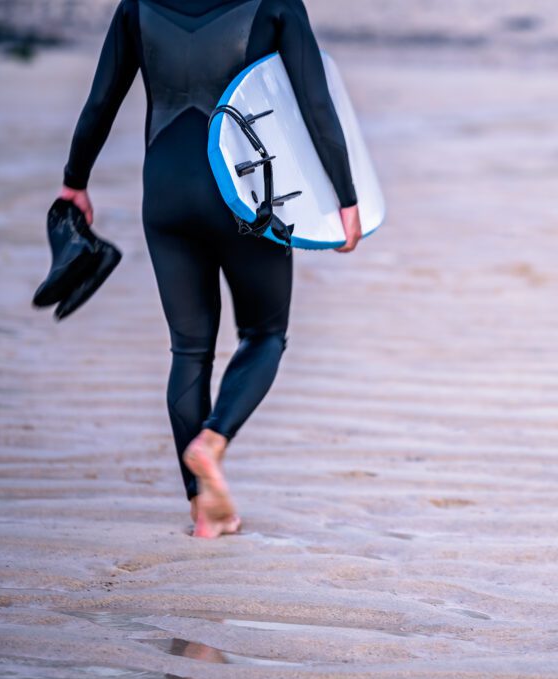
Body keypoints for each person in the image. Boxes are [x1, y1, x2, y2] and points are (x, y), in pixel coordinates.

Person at [59, 0, 361, 538]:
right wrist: (347, 198)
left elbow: (100, 100)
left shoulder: (137, 6)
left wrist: (74, 182)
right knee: (265, 334)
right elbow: (316, 103)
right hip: (245, 196)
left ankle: (202, 508)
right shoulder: (277, 4)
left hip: (166, 193)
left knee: (189, 349)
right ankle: (213, 441)